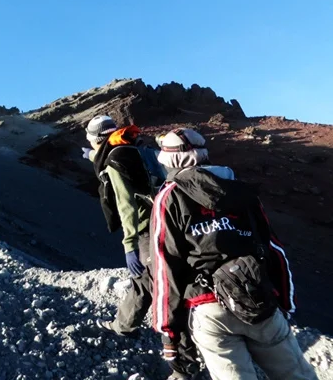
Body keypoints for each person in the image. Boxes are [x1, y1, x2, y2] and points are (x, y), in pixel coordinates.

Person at [151, 129, 316, 380]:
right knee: (296, 374)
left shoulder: (169, 198)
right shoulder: (240, 191)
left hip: (208, 307)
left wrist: (169, 333)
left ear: (168, 160)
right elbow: (274, 250)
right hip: (259, 299)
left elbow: (165, 267)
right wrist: (283, 303)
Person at [86, 116, 197, 379]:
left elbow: (127, 206)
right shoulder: (136, 147)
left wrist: (129, 245)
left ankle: (182, 363)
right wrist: (92, 155)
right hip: (172, 220)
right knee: (145, 280)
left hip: (149, 229)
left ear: (98, 139)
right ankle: (124, 324)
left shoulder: (114, 161)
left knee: (163, 287)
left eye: (90, 140)